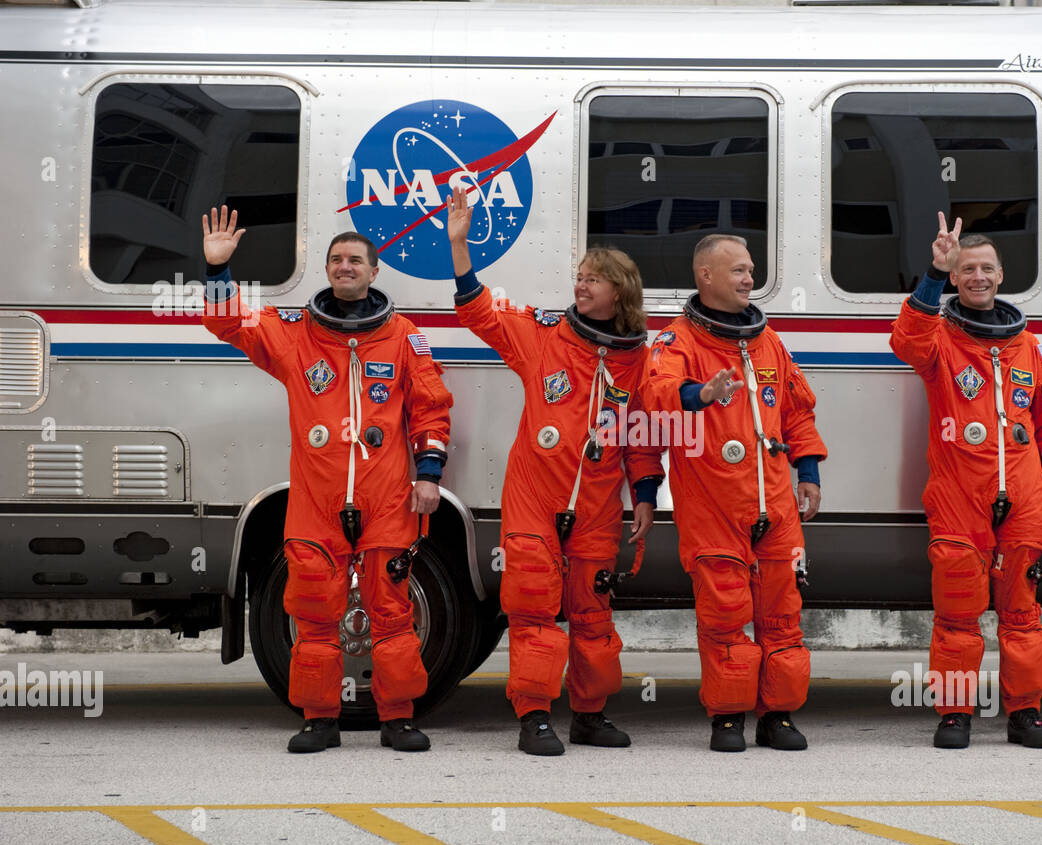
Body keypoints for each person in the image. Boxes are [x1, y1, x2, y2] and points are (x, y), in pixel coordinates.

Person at [201, 205, 454, 754]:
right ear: (327, 268)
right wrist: (218, 271)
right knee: (314, 612)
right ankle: (319, 718)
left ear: (374, 270)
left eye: (355, 260)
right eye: (337, 259)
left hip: (388, 496)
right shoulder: (296, 335)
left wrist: (429, 475)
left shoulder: (405, 337)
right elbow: (230, 324)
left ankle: (398, 718)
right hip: (316, 499)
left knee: (390, 610)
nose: (345, 267)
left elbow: (431, 411)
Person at [446, 187, 663, 757]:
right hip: (535, 498)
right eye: (579, 275)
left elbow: (641, 436)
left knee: (592, 610)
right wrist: (460, 245)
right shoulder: (543, 337)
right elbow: (478, 312)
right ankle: (535, 717)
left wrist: (644, 496)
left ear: (619, 291)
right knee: (535, 605)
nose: (580, 284)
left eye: (592, 278)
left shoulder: (640, 359)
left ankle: (589, 715)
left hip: (596, 504)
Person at [890, 213, 1042, 750]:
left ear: (1001, 275)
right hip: (958, 496)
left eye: (986, 268)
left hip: (1021, 495)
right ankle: (955, 713)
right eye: (966, 268)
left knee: (1022, 612)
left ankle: (1025, 713)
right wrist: (933, 269)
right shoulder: (939, 341)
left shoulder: (1028, 345)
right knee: (957, 612)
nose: (977, 276)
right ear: (955, 276)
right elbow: (906, 340)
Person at [642, 234, 827, 752]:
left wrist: (808, 473)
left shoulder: (768, 342)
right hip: (712, 503)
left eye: (751, 270)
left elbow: (796, 410)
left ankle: (779, 716)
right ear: (706, 276)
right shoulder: (676, 341)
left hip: (776, 504)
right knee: (724, 615)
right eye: (740, 271)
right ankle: (728, 718)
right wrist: (702, 393)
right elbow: (656, 397)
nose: (751, 279)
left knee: (782, 614)